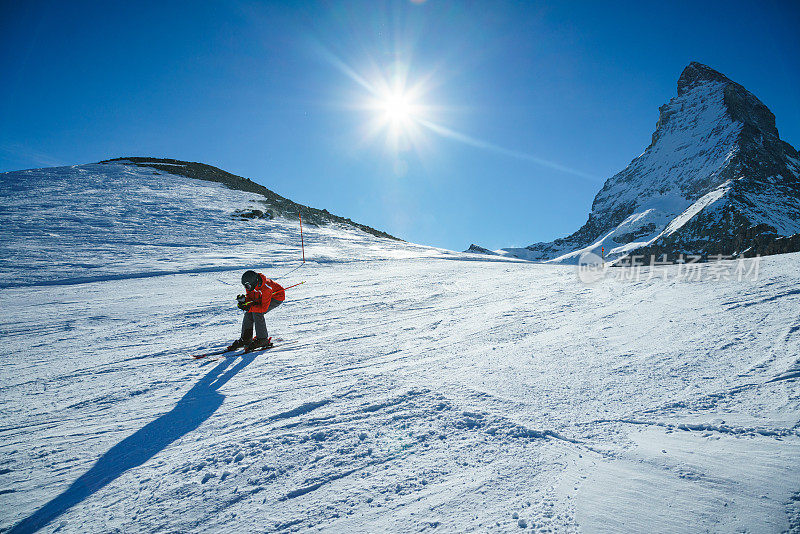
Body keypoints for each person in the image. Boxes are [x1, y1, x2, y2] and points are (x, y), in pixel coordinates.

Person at [227, 270, 285, 352]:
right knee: (249, 313)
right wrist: (244, 301)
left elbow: (263, 308)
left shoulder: (266, 288)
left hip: (276, 297)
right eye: (245, 286)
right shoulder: (251, 286)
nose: (246, 288)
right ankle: (246, 339)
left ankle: (262, 339)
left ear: (254, 282)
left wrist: (249, 307)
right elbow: (251, 298)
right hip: (263, 297)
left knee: (257, 312)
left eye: (247, 286)